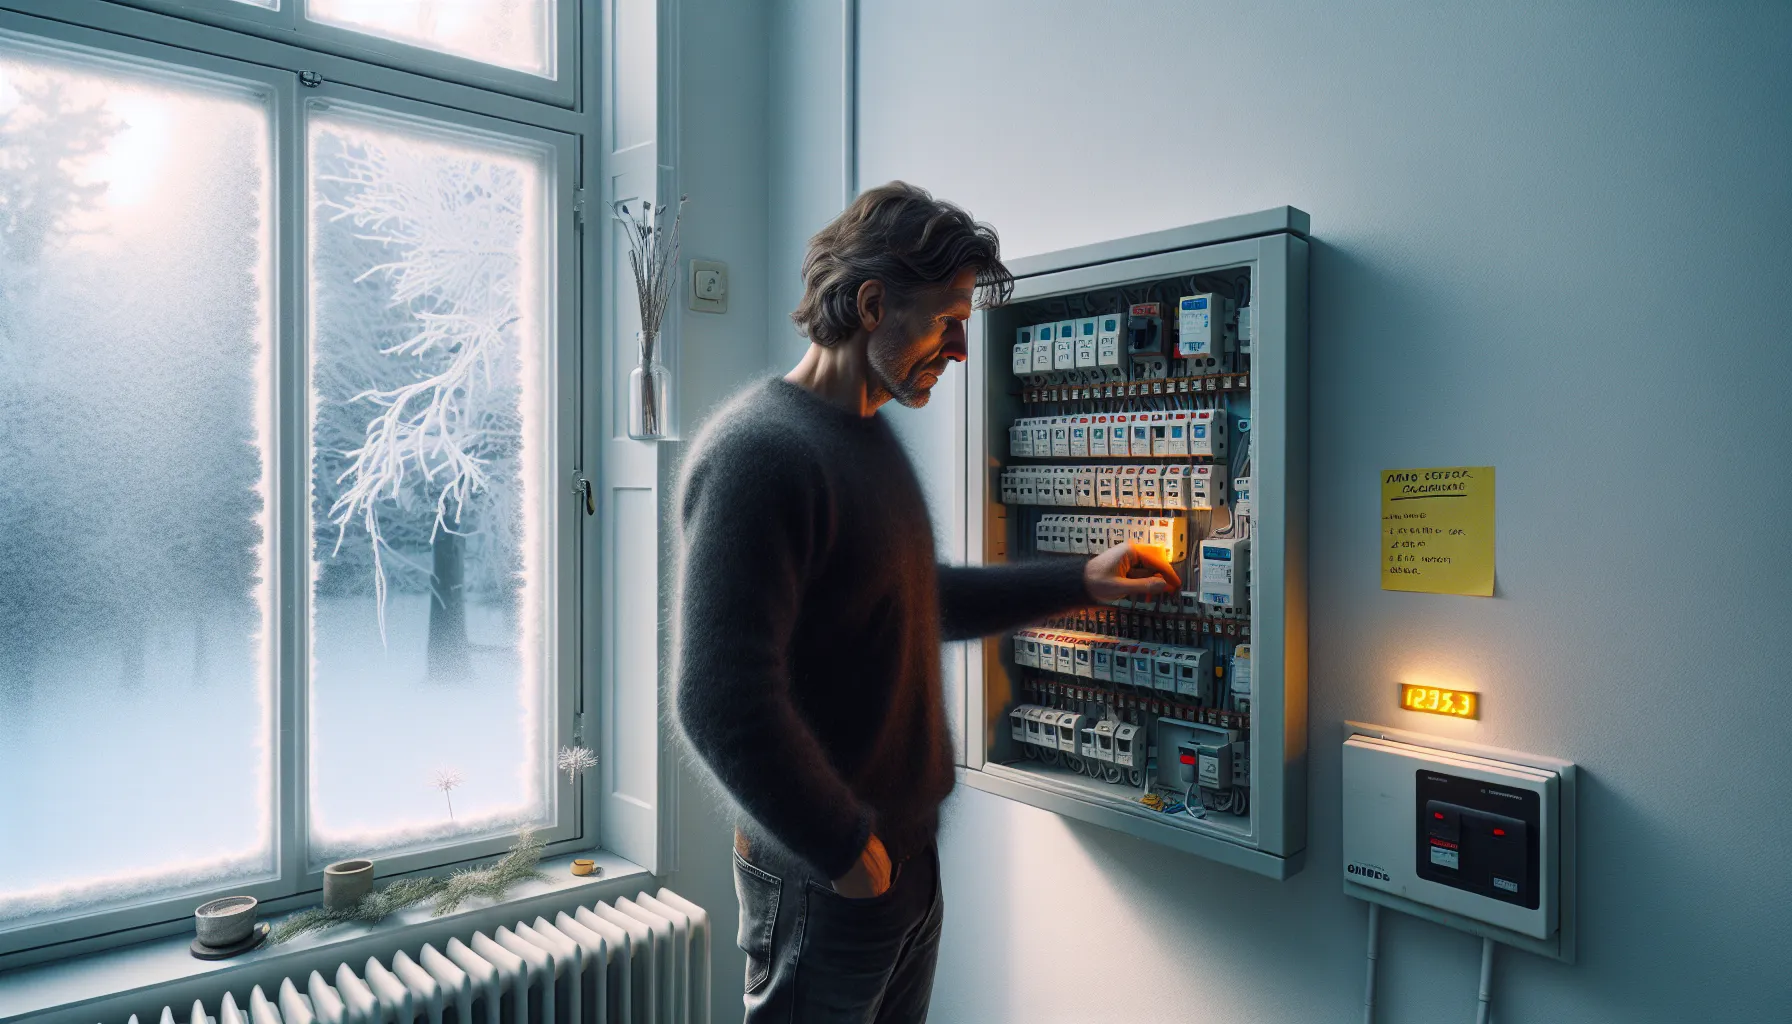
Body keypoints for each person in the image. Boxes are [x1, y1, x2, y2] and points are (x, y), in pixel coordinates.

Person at [674, 181, 1181, 1023]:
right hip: (824, 876)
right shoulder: (760, 454)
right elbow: (717, 697)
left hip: (899, 866)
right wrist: (845, 852)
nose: (960, 349)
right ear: (873, 304)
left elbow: (917, 598)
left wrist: (1079, 580)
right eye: (948, 322)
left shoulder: (863, 439)